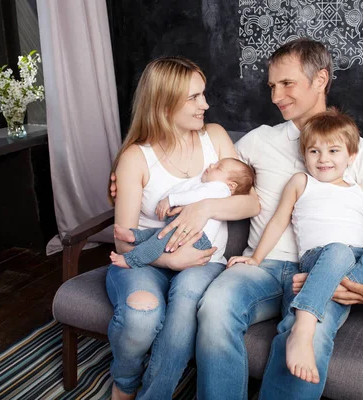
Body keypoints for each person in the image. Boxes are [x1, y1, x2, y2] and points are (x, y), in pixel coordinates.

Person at [193, 38, 363, 400]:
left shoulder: (359, 152)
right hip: (263, 266)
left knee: (308, 334)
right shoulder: (259, 141)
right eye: (271, 86)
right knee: (215, 306)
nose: (275, 96)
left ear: (320, 80)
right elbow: (207, 171)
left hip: (326, 272)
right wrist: (140, 176)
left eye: (286, 84)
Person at [226, 109, 363, 384]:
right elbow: (278, 221)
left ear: (351, 156)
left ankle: (323, 284)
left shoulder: (358, 190)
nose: (323, 158)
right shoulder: (301, 182)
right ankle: (302, 330)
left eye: (333, 150)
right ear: (304, 155)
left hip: (359, 263)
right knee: (338, 250)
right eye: (314, 151)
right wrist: (256, 258)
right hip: (321, 256)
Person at [106, 56, 260, 400]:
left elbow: (251, 202)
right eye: (194, 97)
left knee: (186, 303)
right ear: (163, 103)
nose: (205, 104)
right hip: (146, 259)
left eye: (203, 94)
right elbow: (123, 243)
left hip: (204, 261)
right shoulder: (136, 157)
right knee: (142, 314)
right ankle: (125, 383)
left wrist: (203, 207)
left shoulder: (215, 138)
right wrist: (170, 262)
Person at [110, 157, 255, 269]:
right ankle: (134, 235)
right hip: (187, 231)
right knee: (157, 234)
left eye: (218, 167)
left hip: (196, 238)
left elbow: (195, 194)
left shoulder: (220, 189)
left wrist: (170, 200)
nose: (211, 165)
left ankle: (131, 260)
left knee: (159, 240)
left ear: (231, 185)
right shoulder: (210, 185)